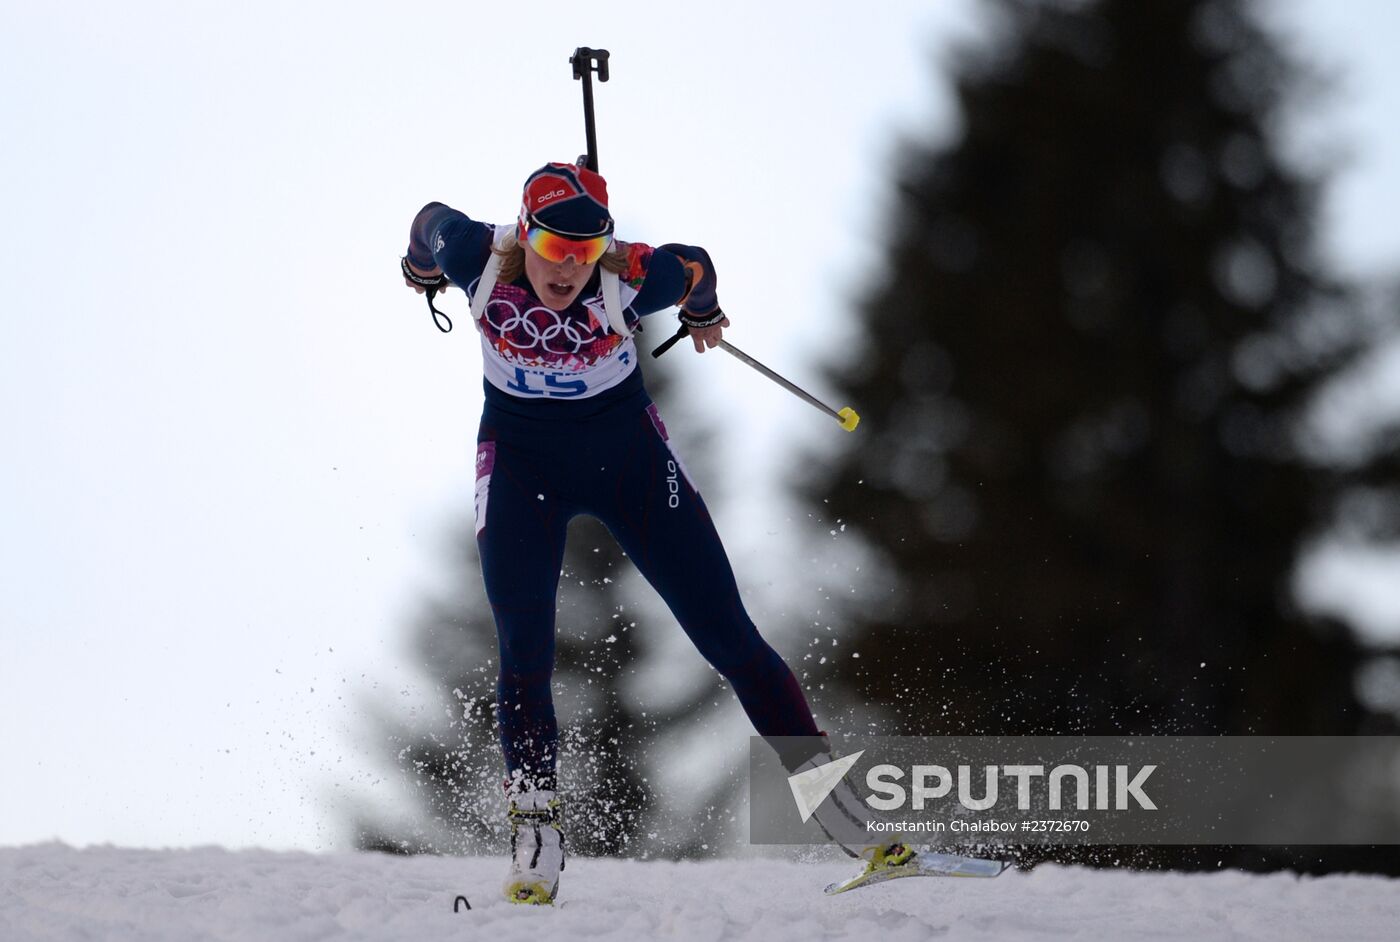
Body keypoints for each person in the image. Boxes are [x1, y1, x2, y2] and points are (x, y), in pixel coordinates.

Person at [401, 162, 905, 904]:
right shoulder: (473, 255)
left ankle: (835, 804)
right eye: (551, 246)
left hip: (629, 465)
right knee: (524, 647)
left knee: (729, 636)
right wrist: (417, 266)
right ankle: (536, 828)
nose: (566, 268)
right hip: (520, 469)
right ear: (522, 235)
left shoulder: (632, 277)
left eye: (585, 250)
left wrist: (705, 308)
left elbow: (694, 267)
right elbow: (427, 216)